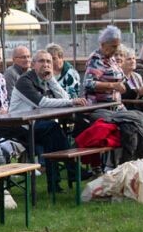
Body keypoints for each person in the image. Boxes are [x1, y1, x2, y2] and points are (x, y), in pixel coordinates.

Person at [9, 50, 86, 189]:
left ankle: (55, 184)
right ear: (33, 64)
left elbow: (65, 98)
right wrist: (71, 102)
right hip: (21, 126)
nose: (46, 64)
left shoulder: (46, 79)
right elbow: (42, 103)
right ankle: (72, 169)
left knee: (51, 136)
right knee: (53, 128)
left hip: (37, 124)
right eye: (41, 61)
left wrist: (52, 80)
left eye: (49, 61)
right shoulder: (24, 81)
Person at [83, 25, 126, 104]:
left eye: (117, 46)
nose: (116, 49)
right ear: (103, 44)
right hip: (99, 105)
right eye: (113, 46)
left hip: (116, 104)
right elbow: (88, 83)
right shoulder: (96, 59)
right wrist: (112, 85)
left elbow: (121, 80)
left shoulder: (111, 59)